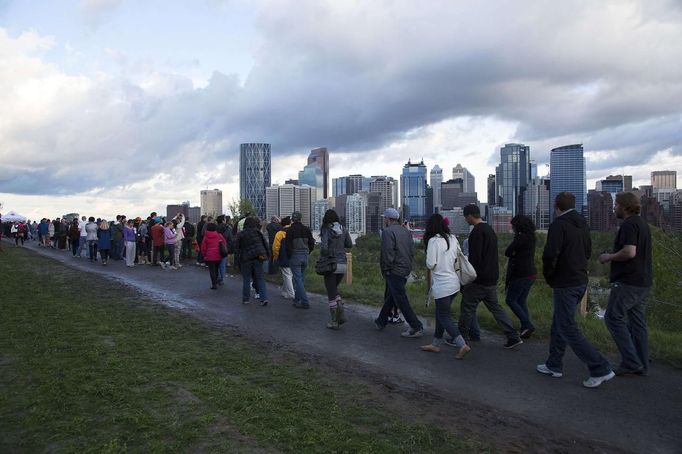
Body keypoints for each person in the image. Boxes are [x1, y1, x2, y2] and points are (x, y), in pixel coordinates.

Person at [538, 192, 614, 388]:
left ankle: (600, 367)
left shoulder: (559, 225)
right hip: (581, 279)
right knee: (559, 322)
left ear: (557, 206)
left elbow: (550, 254)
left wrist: (549, 276)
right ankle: (554, 364)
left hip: (565, 282)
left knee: (567, 327)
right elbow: (588, 250)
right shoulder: (582, 223)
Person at [599, 192, 653, 376]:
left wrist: (608, 257)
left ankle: (631, 362)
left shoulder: (629, 225)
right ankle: (641, 364)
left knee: (613, 318)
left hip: (628, 282)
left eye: (616, 205)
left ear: (624, 206)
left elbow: (629, 252)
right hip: (643, 282)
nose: (614, 208)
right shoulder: (642, 224)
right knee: (637, 323)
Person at [458, 204, 523, 349]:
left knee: (467, 308)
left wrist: (468, 277)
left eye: (465, 217)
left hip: (478, 279)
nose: (465, 219)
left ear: (469, 215)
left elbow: (475, 258)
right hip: (491, 277)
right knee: (496, 308)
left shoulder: (476, 232)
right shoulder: (489, 230)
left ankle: (460, 338)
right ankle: (513, 336)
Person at [420, 214, 470, 358]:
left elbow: (431, 264)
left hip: (442, 285)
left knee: (444, 316)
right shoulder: (453, 238)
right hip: (455, 284)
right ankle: (435, 344)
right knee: (440, 314)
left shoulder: (433, 241)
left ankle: (462, 345)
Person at [374, 208, 424, 338]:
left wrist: (386, 269)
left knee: (401, 299)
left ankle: (416, 326)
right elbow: (411, 251)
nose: (384, 220)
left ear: (388, 219)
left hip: (394, 270)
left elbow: (387, 253)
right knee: (392, 296)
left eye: (384, 218)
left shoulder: (387, 232)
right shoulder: (406, 231)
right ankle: (381, 321)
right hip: (405, 268)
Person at [317, 209, 353, 330]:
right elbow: (349, 244)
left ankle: (334, 321)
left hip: (331, 264)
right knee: (334, 290)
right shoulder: (343, 229)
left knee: (331, 293)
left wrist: (325, 253)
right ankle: (340, 312)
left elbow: (324, 248)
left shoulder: (326, 229)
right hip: (343, 264)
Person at [504, 215, 538, 339]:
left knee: (510, 300)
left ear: (517, 226)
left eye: (513, 225)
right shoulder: (531, 237)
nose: (512, 228)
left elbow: (508, 251)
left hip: (520, 273)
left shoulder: (520, 237)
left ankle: (527, 325)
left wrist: (514, 253)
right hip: (531, 273)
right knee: (521, 300)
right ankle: (525, 329)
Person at [235, 216, 270, 305]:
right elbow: (265, 244)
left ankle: (246, 299)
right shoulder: (257, 232)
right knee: (260, 278)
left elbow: (236, 247)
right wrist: (267, 255)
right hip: (258, 257)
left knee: (246, 279)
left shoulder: (241, 234)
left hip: (246, 259)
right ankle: (264, 298)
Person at [285, 211, 315, 309]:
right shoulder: (306, 229)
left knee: (297, 279)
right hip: (305, 255)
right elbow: (312, 243)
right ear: (300, 218)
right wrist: (308, 252)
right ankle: (297, 300)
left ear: (292, 220)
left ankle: (305, 302)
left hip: (295, 256)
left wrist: (290, 255)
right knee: (300, 279)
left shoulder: (289, 230)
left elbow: (287, 246)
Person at [272, 216, 294, 299]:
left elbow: (275, 247)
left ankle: (291, 293)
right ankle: (285, 291)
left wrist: (275, 257)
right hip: (294, 256)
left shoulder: (280, 233)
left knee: (287, 274)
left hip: (284, 256)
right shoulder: (293, 231)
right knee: (288, 274)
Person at [201, 222, 227, 290]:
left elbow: (203, 247)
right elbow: (224, 243)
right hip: (218, 255)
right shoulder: (219, 235)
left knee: (211, 270)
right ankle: (217, 279)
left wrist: (204, 255)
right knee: (216, 269)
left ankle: (214, 284)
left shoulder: (206, 236)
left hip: (209, 256)